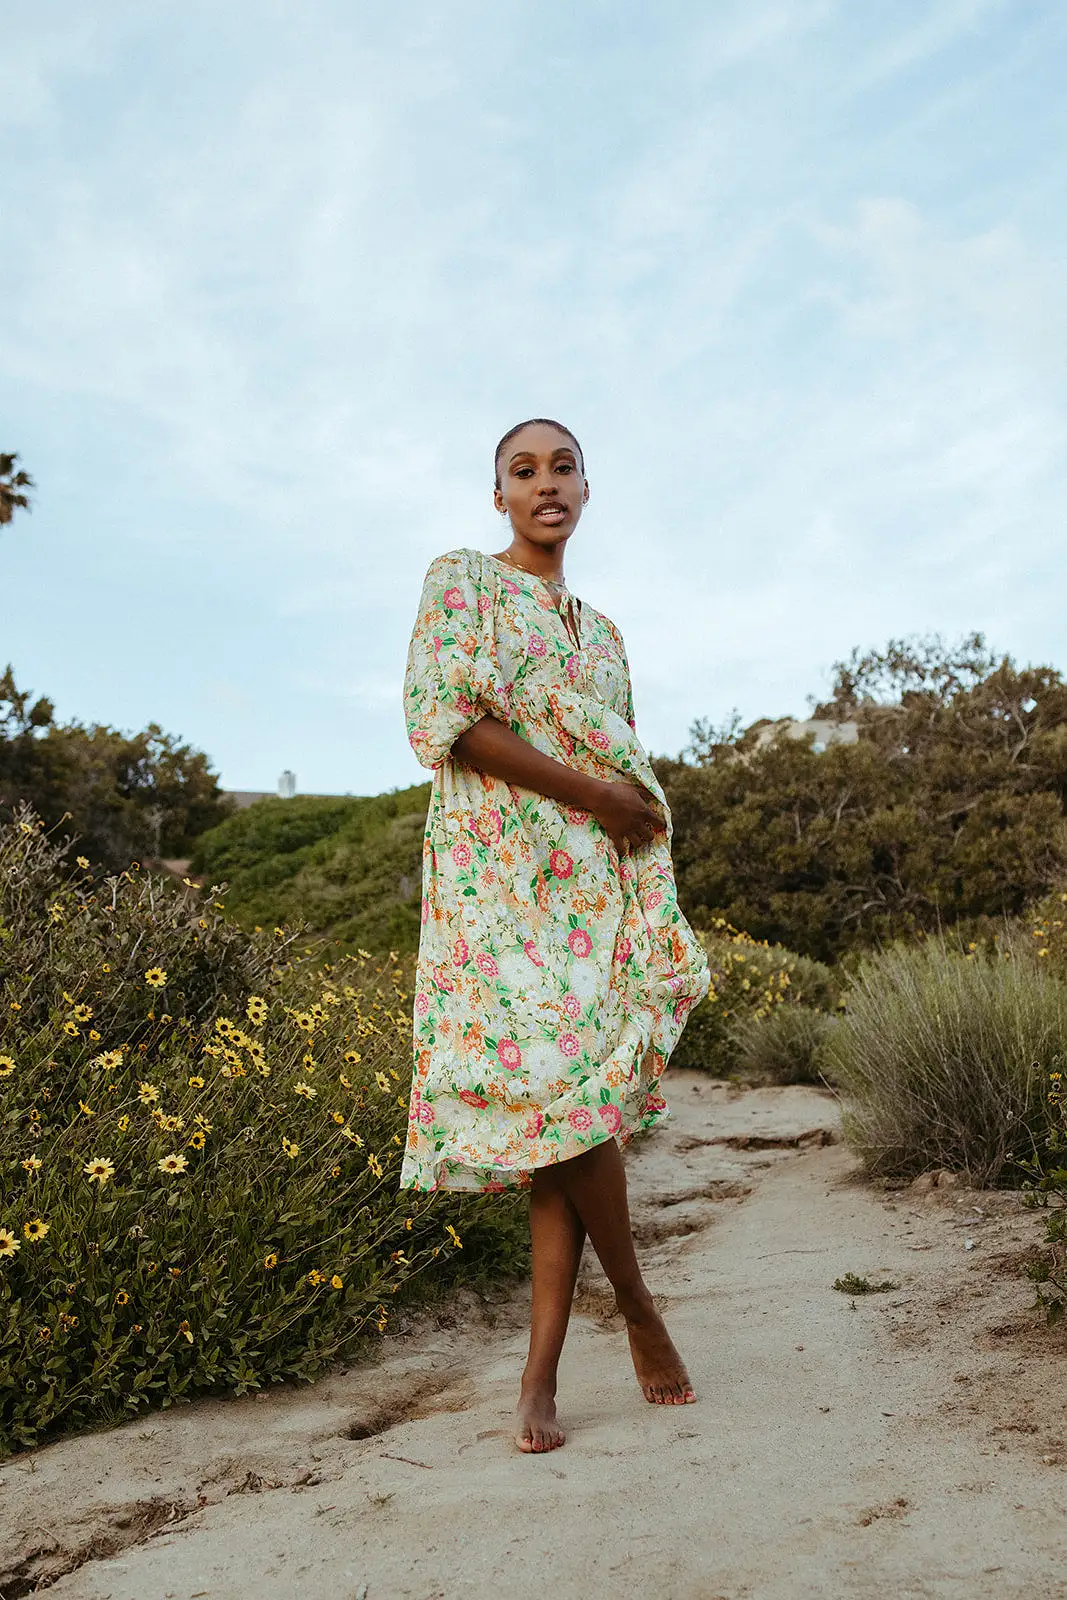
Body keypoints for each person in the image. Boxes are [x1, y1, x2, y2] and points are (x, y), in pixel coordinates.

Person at [401, 418, 709, 1453]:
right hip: (498, 891)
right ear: (496, 496)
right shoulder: (462, 583)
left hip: (587, 891)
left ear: (586, 487)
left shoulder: (604, 633)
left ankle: (538, 1376)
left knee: (568, 1126)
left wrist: (626, 830)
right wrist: (595, 795)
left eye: (562, 467)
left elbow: (624, 761)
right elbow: (445, 721)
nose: (545, 484)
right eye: (522, 471)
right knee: (564, 1118)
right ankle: (635, 1305)